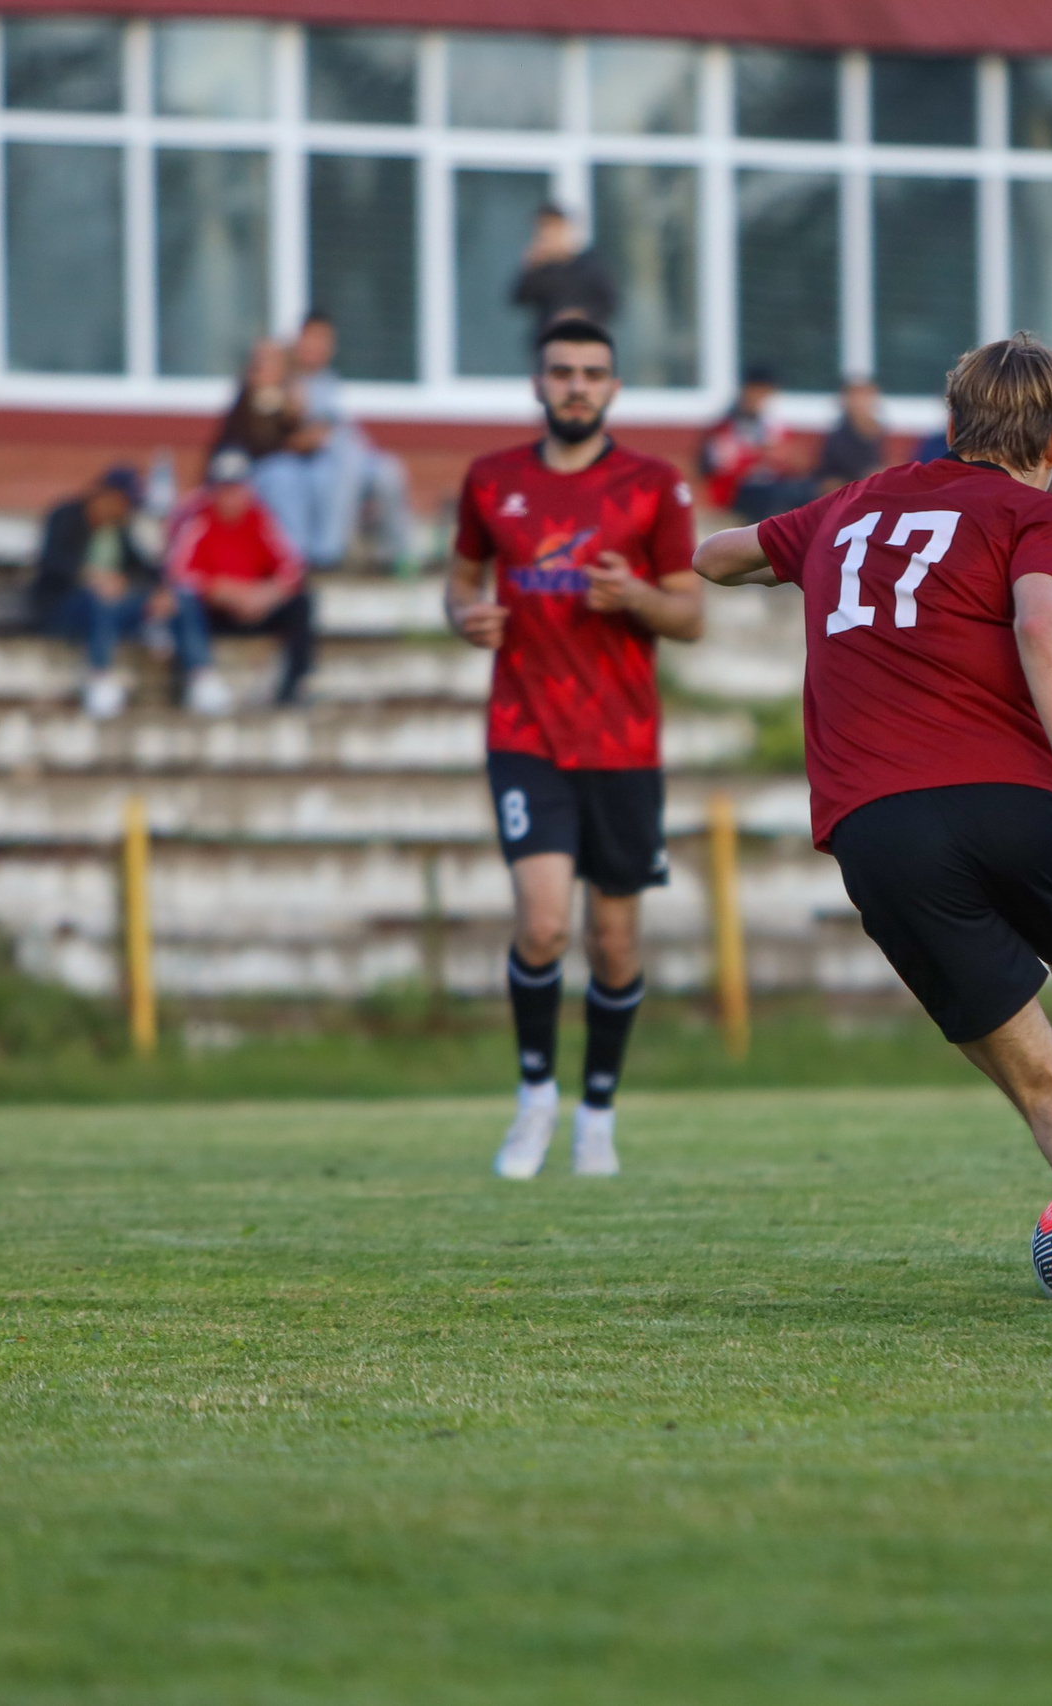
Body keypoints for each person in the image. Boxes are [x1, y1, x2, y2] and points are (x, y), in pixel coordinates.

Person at [691, 335, 1052, 1356]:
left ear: (952, 420)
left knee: (1045, 1087)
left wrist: (788, 557)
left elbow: (712, 555)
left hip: (879, 826)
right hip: (1007, 796)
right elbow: (1044, 626)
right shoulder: (1034, 511)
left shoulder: (845, 506)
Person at [445, 317, 704, 1181]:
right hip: (525, 734)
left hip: (624, 745)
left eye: (593, 372)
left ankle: (597, 1112)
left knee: (617, 942)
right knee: (545, 923)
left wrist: (635, 595)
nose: (577, 386)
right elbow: (460, 579)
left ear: (614, 387)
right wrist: (461, 614)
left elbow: (689, 614)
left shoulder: (653, 486)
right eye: (562, 372)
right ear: (538, 382)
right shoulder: (492, 482)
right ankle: (533, 1098)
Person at [251, 312, 415, 573]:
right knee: (329, 462)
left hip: (343, 462)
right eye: (311, 339)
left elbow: (337, 430)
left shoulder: (330, 381)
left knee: (387, 469)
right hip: (303, 465)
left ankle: (396, 557)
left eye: (324, 341)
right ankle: (325, 554)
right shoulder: (281, 376)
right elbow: (273, 434)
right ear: (299, 341)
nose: (316, 347)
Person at [28, 465, 189, 720]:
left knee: (177, 598)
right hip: (64, 608)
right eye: (124, 503)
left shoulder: (119, 530)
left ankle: (167, 642)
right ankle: (100, 677)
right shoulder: (66, 516)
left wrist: (161, 590)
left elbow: (143, 568)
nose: (126, 511)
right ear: (107, 495)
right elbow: (53, 563)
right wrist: (92, 577)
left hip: (109, 608)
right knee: (101, 599)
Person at [164, 449, 318, 712]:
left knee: (303, 601)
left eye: (237, 488)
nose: (231, 497)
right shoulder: (199, 518)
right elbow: (179, 572)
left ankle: (295, 683)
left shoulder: (260, 517)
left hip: (257, 607)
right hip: (216, 612)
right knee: (182, 601)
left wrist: (266, 594)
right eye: (224, 489)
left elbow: (293, 567)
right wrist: (223, 591)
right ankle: (202, 678)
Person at [701, 365, 820, 522]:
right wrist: (760, 454)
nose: (763, 399)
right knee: (777, 497)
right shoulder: (727, 426)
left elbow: (795, 460)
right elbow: (721, 465)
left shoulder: (772, 423)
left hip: (771, 486)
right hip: (738, 491)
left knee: (808, 492)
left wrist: (787, 458)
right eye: (759, 392)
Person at [511, 203, 618, 335]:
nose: (547, 234)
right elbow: (518, 299)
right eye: (542, 228)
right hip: (549, 342)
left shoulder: (591, 264)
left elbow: (610, 303)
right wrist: (529, 268)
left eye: (551, 227)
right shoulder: (541, 268)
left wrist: (581, 315)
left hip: (584, 340)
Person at [815, 376, 888, 493]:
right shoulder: (837, 438)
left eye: (865, 396)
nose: (860, 402)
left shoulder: (883, 434)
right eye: (855, 396)